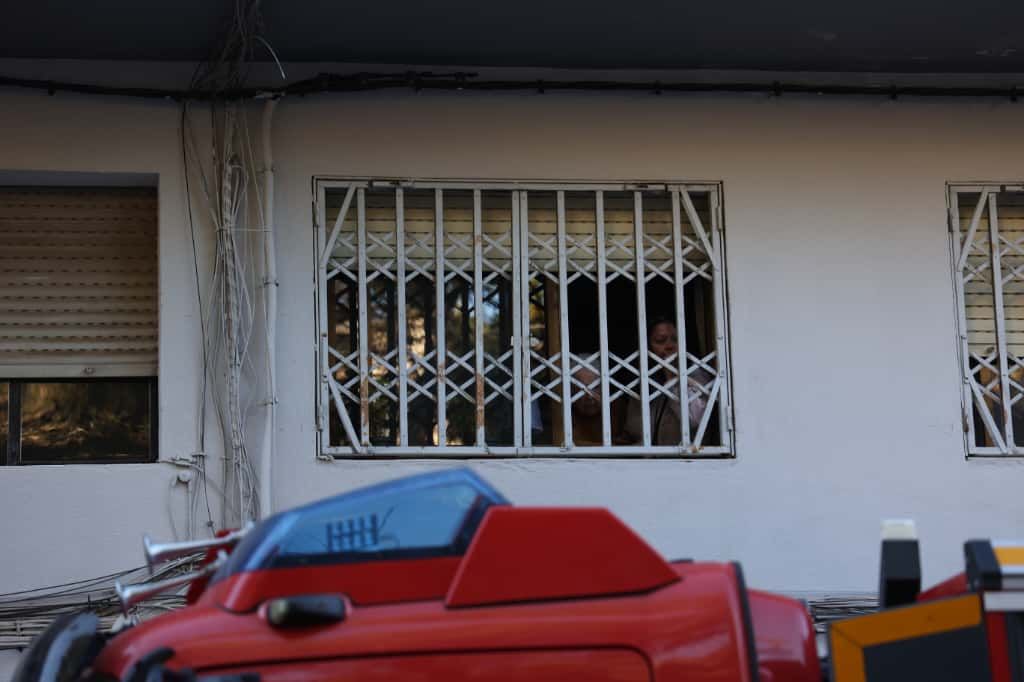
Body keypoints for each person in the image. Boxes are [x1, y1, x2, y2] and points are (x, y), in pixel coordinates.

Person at [620, 317, 708, 445]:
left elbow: (693, 420)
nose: (670, 346)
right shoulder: (642, 384)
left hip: (687, 460)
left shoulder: (698, 376)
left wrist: (672, 378)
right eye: (660, 341)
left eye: (676, 340)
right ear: (647, 348)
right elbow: (633, 430)